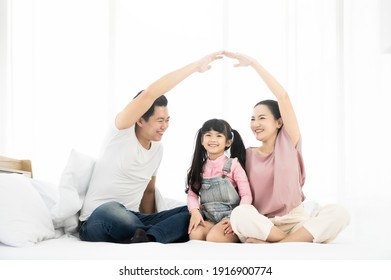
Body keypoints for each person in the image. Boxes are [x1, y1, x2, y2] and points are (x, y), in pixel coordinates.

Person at [78, 51, 224, 244]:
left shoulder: (157, 149)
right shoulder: (121, 132)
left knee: (196, 210)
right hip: (98, 219)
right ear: (140, 119)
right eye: (159, 120)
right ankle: (159, 233)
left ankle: (148, 237)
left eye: (168, 120)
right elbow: (150, 94)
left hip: (136, 218)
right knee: (114, 210)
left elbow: (148, 192)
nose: (165, 126)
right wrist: (194, 67)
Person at [224, 51, 350, 244]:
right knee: (240, 214)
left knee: (339, 213)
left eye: (262, 118)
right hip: (264, 224)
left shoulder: (289, 142)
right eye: (252, 119)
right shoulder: (246, 154)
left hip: (295, 221)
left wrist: (254, 63)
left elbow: (283, 96)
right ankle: (292, 242)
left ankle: (277, 245)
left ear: (279, 122)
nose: (255, 123)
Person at [186, 118, 252, 243]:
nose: (213, 139)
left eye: (219, 135)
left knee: (214, 237)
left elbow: (246, 195)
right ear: (202, 140)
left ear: (228, 142)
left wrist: (237, 219)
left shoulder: (234, 165)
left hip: (230, 218)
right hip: (209, 217)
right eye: (208, 135)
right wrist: (195, 212)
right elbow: (192, 195)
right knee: (195, 234)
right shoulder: (199, 167)